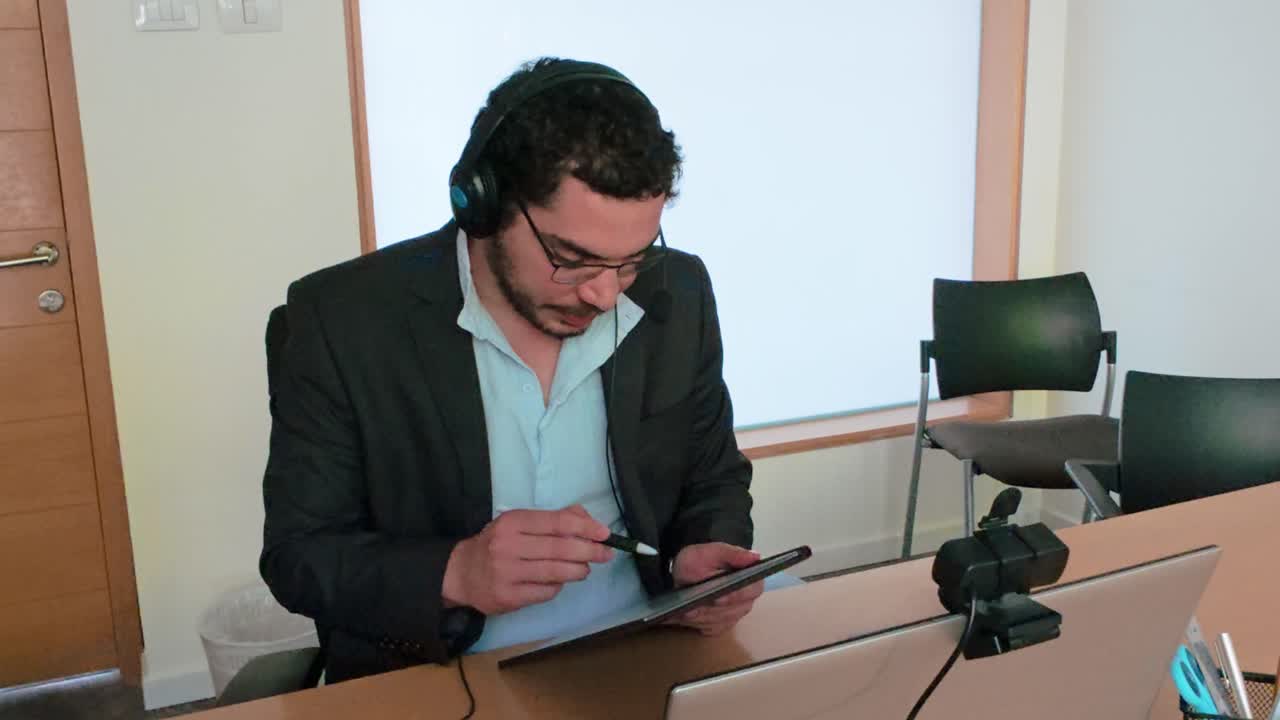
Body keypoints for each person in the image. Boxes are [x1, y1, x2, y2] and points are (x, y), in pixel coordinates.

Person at [261, 57, 759, 683]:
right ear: (485, 204)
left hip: (646, 657)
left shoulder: (677, 291)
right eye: (572, 258)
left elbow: (713, 477)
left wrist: (702, 556)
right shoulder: (340, 323)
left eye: (631, 260)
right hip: (443, 679)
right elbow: (299, 556)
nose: (606, 294)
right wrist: (458, 572)